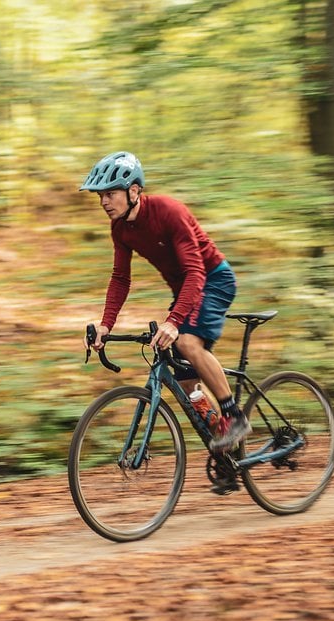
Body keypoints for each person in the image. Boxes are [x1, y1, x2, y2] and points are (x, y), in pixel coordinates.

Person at [80, 150, 250, 458]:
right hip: (186, 287)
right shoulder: (121, 229)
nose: (104, 202)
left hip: (213, 279)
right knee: (187, 380)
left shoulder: (169, 212)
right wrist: (106, 324)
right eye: (100, 196)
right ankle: (228, 453)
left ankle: (234, 416)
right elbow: (120, 278)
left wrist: (173, 322)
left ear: (134, 191)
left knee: (186, 342)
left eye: (110, 194)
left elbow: (196, 271)